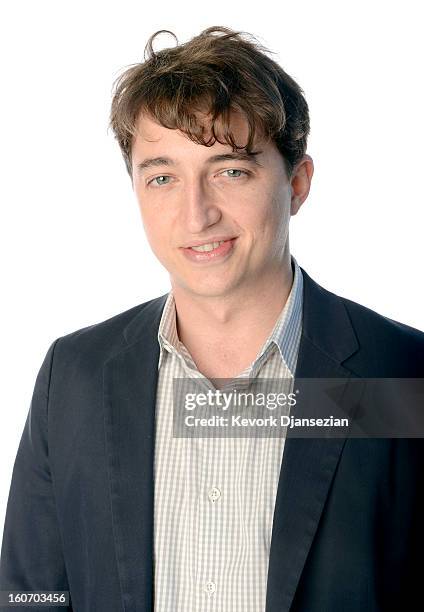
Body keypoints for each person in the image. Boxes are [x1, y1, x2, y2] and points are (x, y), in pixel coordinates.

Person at [0, 25, 423, 612]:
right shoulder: (73, 375)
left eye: (230, 170)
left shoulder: (400, 376)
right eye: (163, 177)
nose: (195, 215)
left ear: (297, 184)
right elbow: (30, 597)